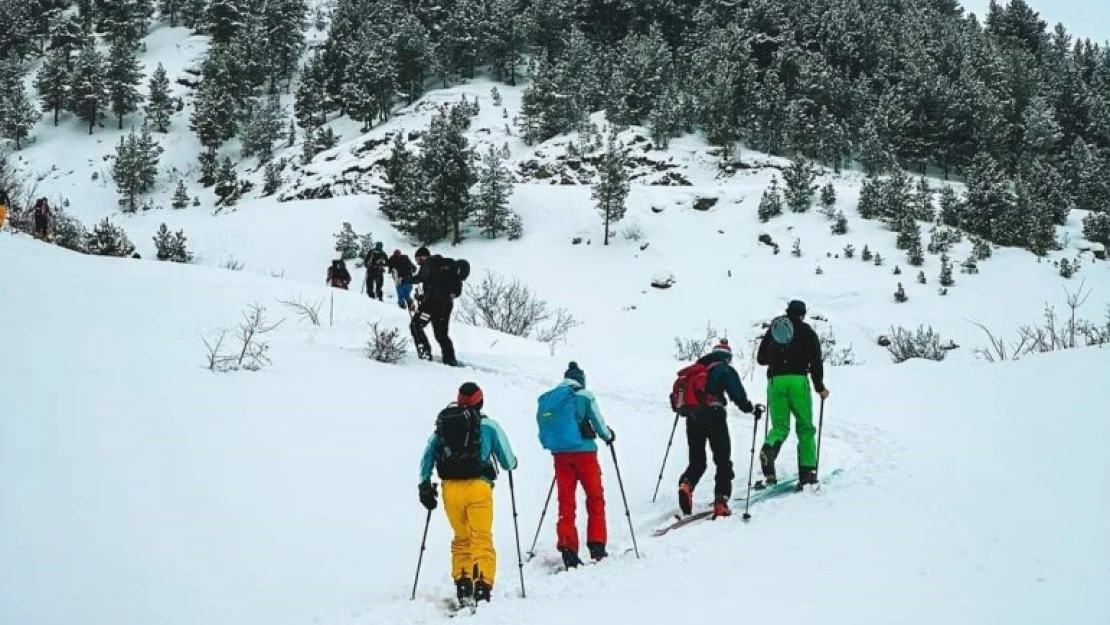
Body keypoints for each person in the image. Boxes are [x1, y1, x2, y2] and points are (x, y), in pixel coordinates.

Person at [419, 382, 518, 605]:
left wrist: (424, 484)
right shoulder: (489, 426)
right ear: (480, 402)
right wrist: (513, 463)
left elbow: (428, 455)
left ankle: (463, 585)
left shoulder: (444, 425)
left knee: (461, 538)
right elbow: (507, 461)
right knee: (481, 537)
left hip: (450, 489)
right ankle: (482, 586)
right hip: (478, 488)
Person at [535, 361, 614, 569]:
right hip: (585, 455)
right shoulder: (584, 396)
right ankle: (597, 544)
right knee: (595, 498)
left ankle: (567, 546)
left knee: (566, 502)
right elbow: (599, 425)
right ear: (581, 380)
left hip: (561, 455)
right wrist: (608, 436)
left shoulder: (552, 397)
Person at [755, 300, 828, 490]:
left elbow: (761, 359)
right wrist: (819, 386)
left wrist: (777, 357)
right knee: (805, 427)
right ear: (803, 314)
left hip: (776, 382)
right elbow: (815, 361)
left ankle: (769, 449)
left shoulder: (775, 328)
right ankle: (808, 473)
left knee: (780, 426)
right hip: (798, 381)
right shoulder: (806, 331)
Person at [677, 339, 753, 518]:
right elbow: (737, 394)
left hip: (693, 416)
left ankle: (686, 485)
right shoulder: (724, 369)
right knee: (722, 460)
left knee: (697, 461)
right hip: (715, 415)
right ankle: (721, 502)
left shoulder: (696, 370)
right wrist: (750, 408)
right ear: (727, 357)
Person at [402, 246, 463, 366]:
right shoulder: (443, 265)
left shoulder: (429, 262)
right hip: (446, 304)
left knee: (416, 325)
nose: (417, 263)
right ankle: (450, 359)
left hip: (431, 305)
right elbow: (436, 286)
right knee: (441, 333)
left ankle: (425, 353)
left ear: (422, 256)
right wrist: (423, 296)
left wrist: (405, 280)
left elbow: (420, 278)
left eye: (417, 259)